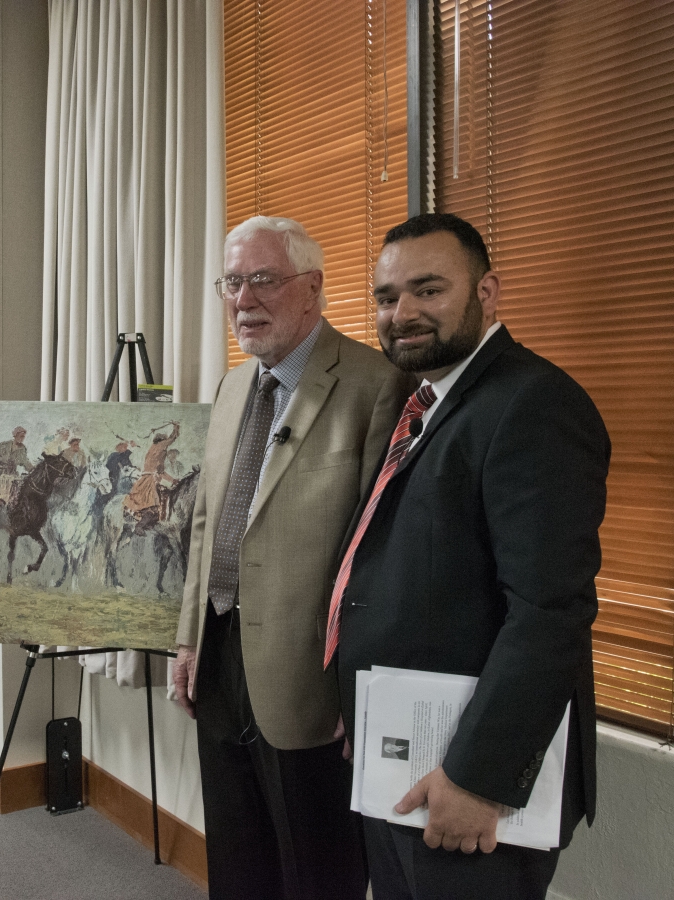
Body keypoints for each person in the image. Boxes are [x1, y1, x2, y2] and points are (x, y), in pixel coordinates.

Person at [328, 213, 609, 900]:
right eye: (388, 297)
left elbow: (549, 611)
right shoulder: (425, 403)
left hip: (465, 778)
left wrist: (479, 777)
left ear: (487, 293)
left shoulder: (532, 403)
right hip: (404, 752)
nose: (404, 313)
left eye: (429, 290)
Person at [172, 216, 412, 900]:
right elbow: (203, 527)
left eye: (263, 280)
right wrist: (189, 639)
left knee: (317, 870)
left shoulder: (374, 385)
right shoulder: (229, 390)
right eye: (232, 282)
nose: (243, 299)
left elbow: (379, 555)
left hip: (313, 673)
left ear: (312, 288)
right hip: (219, 657)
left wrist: (357, 683)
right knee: (238, 861)